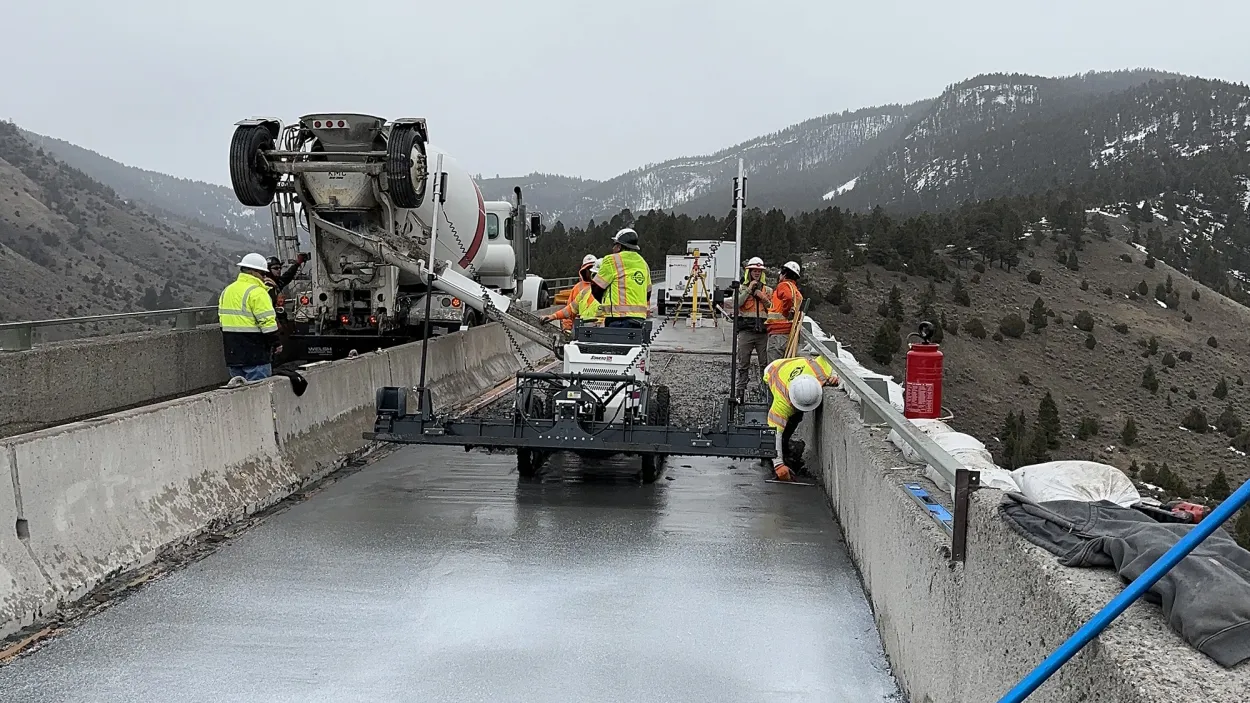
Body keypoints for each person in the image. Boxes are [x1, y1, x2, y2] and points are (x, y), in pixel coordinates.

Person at [763, 354, 839, 481]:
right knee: (788, 423)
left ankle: (786, 449)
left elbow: (833, 356)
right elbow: (774, 433)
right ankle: (778, 452)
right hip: (773, 370)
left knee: (797, 417)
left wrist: (836, 376)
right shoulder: (782, 402)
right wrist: (778, 465)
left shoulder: (819, 372)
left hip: (792, 366)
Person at [218, 253, 281, 383]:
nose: (265, 277)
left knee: (240, 394)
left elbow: (222, 322)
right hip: (255, 355)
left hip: (233, 354)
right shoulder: (258, 292)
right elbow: (268, 323)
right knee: (260, 394)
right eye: (263, 274)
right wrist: (276, 343)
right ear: (254, 272)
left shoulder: (227, 291)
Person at [591, 228, 651, 328]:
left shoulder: (611, 260)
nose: (613, 248)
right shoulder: (643, 263)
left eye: (614, 244)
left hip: (617, 319)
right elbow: (647, 293)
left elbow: (596, 287)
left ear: (619, 246)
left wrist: (605, 302)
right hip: (639, 320)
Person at [734, 256, 773, 396]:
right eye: (754, 270)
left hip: (763, 332)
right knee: (743, 363)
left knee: (765, 364)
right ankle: (740, 391)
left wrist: (762, 297)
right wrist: (749, 290)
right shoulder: (741, 288)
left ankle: (766, 391)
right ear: (749, 272)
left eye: (759, 271)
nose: (757, 273)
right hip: (746, 331)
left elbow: (773, 308)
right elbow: (737, 304)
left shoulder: (768, 290)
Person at [542, 254, 597, 332]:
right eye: (588, 269)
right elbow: (569, 310)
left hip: (601, 331)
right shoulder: (580, 290)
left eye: (592, 269)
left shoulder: (608, 289)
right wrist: (554, 317)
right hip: (584, 331)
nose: (591, 273)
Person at [765, 260, 803, 365]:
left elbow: (788, 298)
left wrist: (786, 312)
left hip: (778, 333)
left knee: (773, 369)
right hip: (789, 333)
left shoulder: (783, 285)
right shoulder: (796, 291)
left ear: (784, 274)